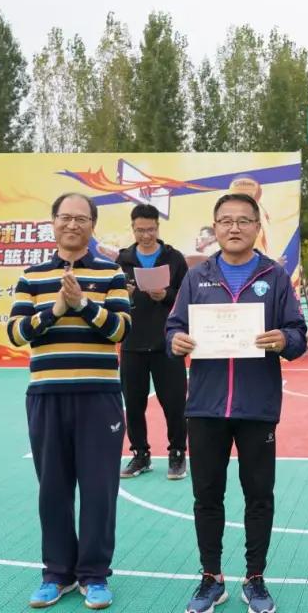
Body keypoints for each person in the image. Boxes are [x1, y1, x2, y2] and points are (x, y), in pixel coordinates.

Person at [165, 192, 308, 613]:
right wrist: (175, 340)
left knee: (259, 496)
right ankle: (211, 577)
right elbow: (173, 327)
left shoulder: (275, 277)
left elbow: (297, 334)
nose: (234, 227)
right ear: (215, 227)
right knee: (207, 495)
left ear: (257, 227)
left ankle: (255, 578)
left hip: (256, 406)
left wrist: (283, 339)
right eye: (226, 220)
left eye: (243, 220)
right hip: (205, 406)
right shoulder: (197, 276)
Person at [7, 192, 132, 611]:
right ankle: (56, 573)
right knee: (53, 490)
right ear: (54, 222)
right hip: (47, 395)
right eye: (65, 217)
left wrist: (83, 304)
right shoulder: (31, 276)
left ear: (92, 225)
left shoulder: (111, 273)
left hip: (99, 397)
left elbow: (120, 330)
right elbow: (16, 333)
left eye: (81, 218)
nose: (72, 224)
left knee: (99, 490)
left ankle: (94, 575)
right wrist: (55, 309)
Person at [116, 203, 190, 480]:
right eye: (140, 230)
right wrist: (125, 295)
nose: (145, 235)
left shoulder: (174, 258)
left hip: (167, 343)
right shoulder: (122, 260)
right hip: (132, 343)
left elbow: (188, 296)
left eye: (150, 229)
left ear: (158, 227)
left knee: (174, 404)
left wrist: (166, 295)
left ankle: (177, 453)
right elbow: (110, 300)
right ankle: (140, 454)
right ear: (132, 229)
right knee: (134, 405)